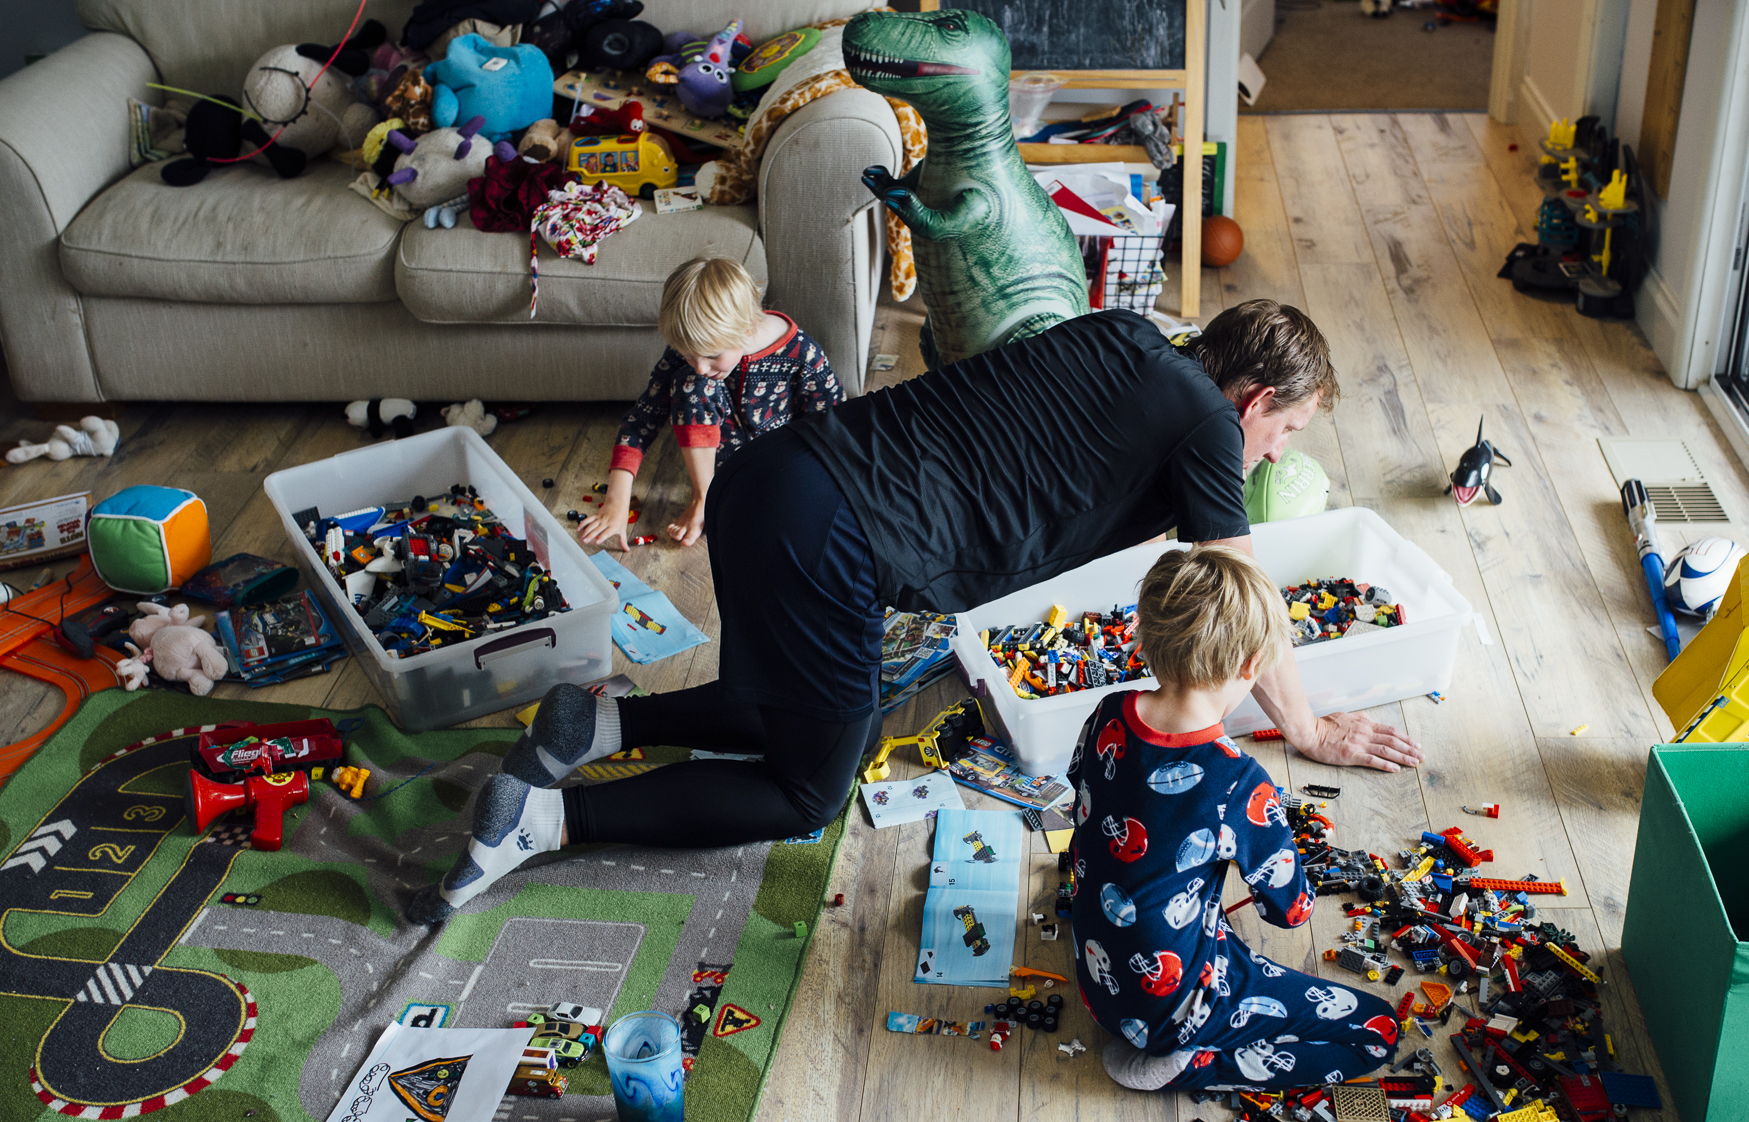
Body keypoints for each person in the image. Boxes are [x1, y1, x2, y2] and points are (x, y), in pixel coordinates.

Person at [406, 299, 1423, 924]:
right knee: (809, 791)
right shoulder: (1209, 425)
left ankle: (607, 719)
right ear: (1250, 400)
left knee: (810, 694)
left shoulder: (1128, 333)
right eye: (1284, 428)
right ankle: (543, 821)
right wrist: (1310, 726)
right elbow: (1241, 602)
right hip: (835, 539)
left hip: (775, 481)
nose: (1279, 452)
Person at [1067, 546, 1402, 1091]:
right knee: (1378, 1030)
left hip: (1096, 975)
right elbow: (1289, 911)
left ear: (1147, 640)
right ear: (1250, 666)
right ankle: (1191, 1065)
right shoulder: (1238, 781)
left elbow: (1083, 799)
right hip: (1171, 1012)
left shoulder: (1108, 713)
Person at [579, 256, 842, 551]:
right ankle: (704, 496)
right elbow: (642, 418)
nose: (701, 366)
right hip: (721, 471)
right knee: (691, 382)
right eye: (690, 355)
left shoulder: (803, 354)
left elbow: (832, 423)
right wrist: (616, 501)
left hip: (780, 463)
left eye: (712, 355)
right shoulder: (696, 355)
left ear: (746, 327)